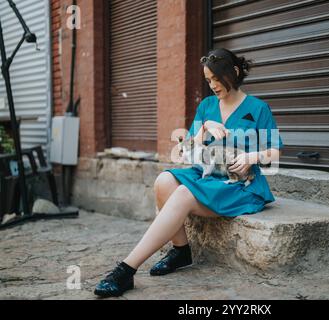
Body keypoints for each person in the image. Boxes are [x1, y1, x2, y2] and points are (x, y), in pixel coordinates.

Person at [94, 48, 284, 297]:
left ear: (234, 73)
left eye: (217, 79)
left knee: (183, 194)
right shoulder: (206, 106)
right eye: (208, 80)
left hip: (239, 185)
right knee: (164, 180)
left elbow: (275, 151)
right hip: (206, 175)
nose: (213, 85)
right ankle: (181, 251)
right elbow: (187, 151)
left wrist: (252, 157)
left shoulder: (258, 108)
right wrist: (204, 128)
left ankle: (126, 269)